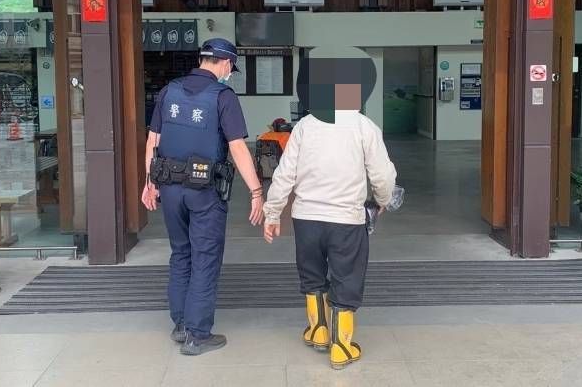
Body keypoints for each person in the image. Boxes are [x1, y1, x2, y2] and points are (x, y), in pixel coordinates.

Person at [262, 47, 397, 370]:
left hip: (306, 219)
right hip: (346, 220)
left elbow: (284, 174)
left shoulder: (305, 126)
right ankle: (341, 346)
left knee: (312, 274)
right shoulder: (364, 126)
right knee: (346, 276)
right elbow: (382, 175)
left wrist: (272, 213)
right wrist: (383, 199)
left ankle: (318, 331)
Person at [141, 37, 265, 356]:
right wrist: (256, 191)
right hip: (204, 191)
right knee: (205, 258)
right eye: (231, 68)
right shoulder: (223, 97)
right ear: (226, 63)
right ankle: (198, 334)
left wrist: (149, 182)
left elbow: (153, 141)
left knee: (181, 253)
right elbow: (237, 148)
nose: (230, 73)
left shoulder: (169, 91)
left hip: (170, 189)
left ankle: (181, 324)